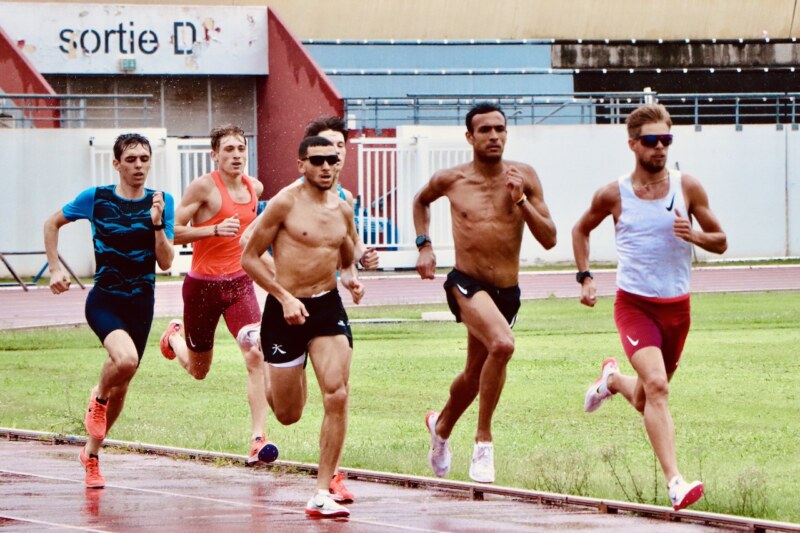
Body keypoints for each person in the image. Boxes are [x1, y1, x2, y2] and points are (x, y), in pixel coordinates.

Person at [573, 103, 727, 511]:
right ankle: (675, 482)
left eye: (667, 140)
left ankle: (612, 382)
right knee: (658, 387)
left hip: (677, 310)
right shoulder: (614, 193)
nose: (660, 148)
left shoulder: (687, 186)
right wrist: (585, 277)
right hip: (634, 305)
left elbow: (722, 240)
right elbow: (580, 229)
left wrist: (693, 236)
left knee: (644, 398)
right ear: (633, 144)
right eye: (651, 141)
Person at [413, 103, 557, 484]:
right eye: (485, 130)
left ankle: (441, 427)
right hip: (466, 283)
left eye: (500, 129)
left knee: (474, 375)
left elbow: (549, 238)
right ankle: (484, 442)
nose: (494, 136)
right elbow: (420, 200)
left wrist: (521, 200)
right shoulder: (451, 179)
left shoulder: (524, 177)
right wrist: (424, 244)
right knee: (503, 345)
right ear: (470, 137)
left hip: (506, 291)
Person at [241, 135, 364, 518]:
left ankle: (321, 490)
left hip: (327, 307)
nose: (327, 166)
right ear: (302, 165)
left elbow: (347, 257)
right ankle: (259, 355)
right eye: (318, 160)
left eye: (332, 160)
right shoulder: (284, 204)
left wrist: (354, 275)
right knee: (288, 414)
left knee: (338, 393)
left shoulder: (343, 209)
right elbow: (250, 258)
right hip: (284, 310)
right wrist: (283, 296)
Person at [43, 133, 174, 488]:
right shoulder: (96, 199)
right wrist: (55, 268)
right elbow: (51, 223)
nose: (138, 166)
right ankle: (97, 397)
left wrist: (158, 223)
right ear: (116, 163)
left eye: (144, 159)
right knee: (126, 360)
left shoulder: (162, 201)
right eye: (130, 159)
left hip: (141, 303)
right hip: (105, 299)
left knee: (124, 384)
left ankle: (92, 455)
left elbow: (165, 262)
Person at [159, 125, 278, 465]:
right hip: (201, 288)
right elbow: (171, 231)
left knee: (255, 353)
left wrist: (270, 265)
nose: (236, 155)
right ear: (215, 154)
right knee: (199, 371)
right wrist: (211, 228)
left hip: (239, 283)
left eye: (241, 148)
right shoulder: (204, 188)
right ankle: (174, 340)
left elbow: (247, 239)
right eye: (228, 149)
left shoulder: (254, 188)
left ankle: (258, 439)